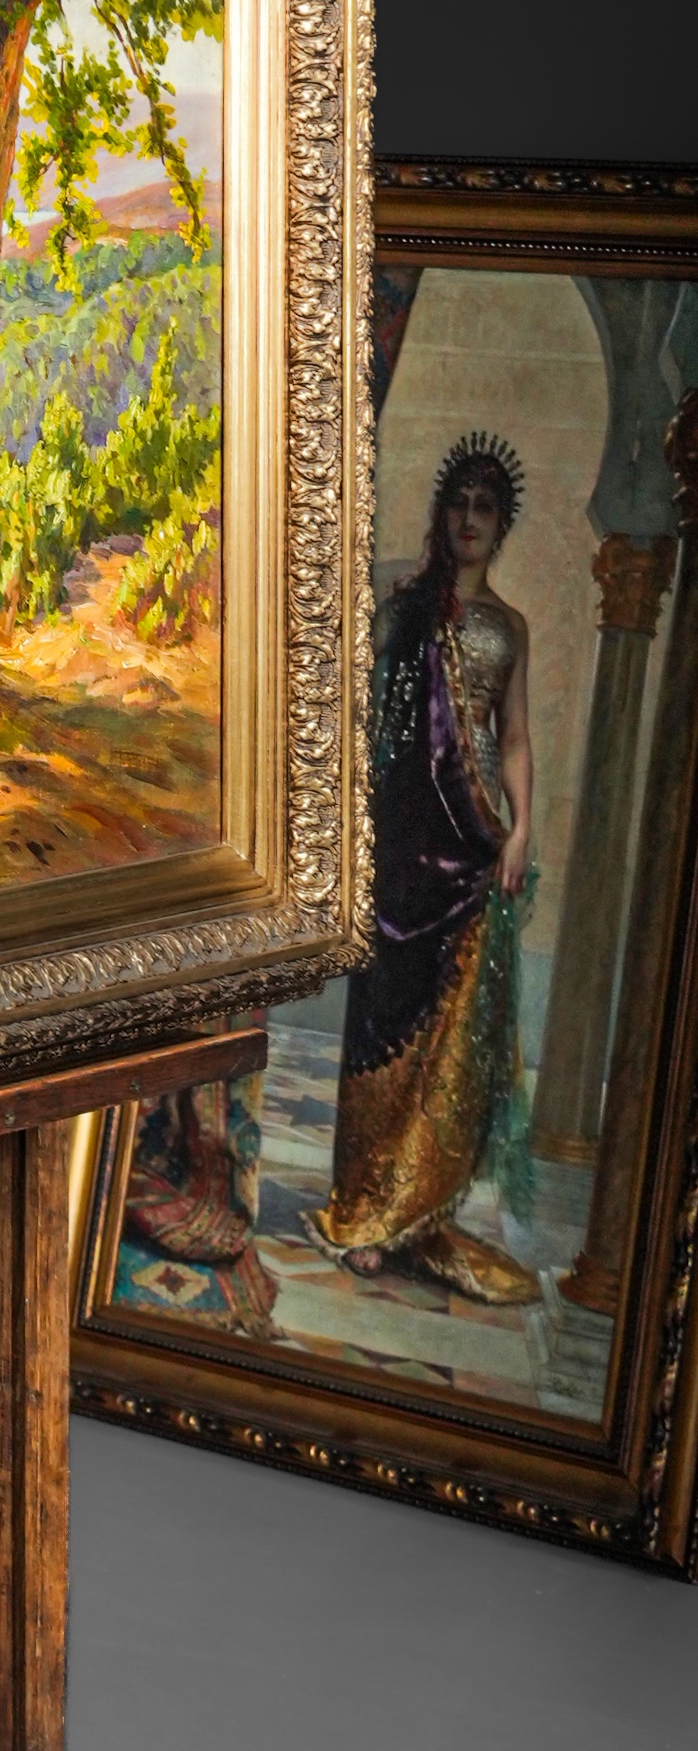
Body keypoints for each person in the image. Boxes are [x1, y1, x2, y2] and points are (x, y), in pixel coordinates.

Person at [306, 432, 540, 1303]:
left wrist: (520, 829)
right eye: (458, 503)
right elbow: (367, 719)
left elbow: (512, 739)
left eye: (485, 507)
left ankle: (409, 1210)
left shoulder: (507, 628)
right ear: (442, 514)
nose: (469, 519)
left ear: (501, 524)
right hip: (399, 837)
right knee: (380, 1018)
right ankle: (362, 1205)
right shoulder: (405, 609)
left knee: (447, 1038)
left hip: (469, 843)